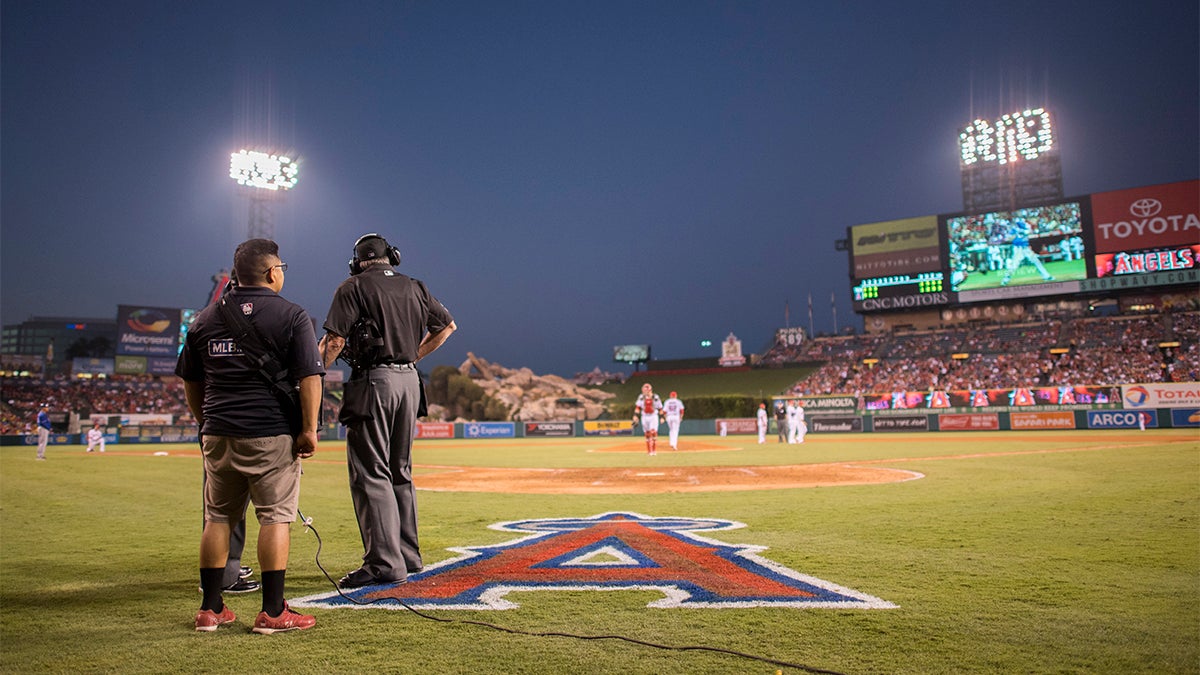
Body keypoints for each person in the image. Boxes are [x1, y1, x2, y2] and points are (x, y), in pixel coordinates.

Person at [176, 238, 323, 634]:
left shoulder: (205, 318)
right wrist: (309, 429)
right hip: (270, 432)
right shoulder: (291, 315)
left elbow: (191, 380)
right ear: (273, 272)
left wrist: (205, 419)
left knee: (218, 517)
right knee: (275, 518)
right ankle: (273, 613)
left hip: (218, 432)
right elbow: (310, 377)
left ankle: (210, 610)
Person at [320, 233, 456, 589]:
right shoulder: (416, 285)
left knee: (371, 472)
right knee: (400, 470)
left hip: (374, 382)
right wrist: (414, 356)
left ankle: (384, 563)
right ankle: (408, 556)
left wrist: (312, 377)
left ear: (357, 260)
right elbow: (448, 326)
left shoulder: (353, 287)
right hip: (410, 383)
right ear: (391, 257)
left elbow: (334, 340)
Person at [1000, 219, 1054, 286]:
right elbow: (1008, 238)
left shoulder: (1023, 229)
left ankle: (1046, 276)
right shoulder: (1015, 230)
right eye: (1022, 223)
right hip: (1018, 249)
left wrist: (1015, 234)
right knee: (1014, 265)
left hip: (1026, 248)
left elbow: (1030, 231)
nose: (1023, 224)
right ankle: (1005, 280)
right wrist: (1013, 236)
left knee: (1036, 261)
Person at [633, 382, 664, 455]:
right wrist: (635, 416)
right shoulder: (641, 397)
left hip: (653, 416)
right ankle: (649, 451)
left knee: (653, 432)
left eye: (645, 390)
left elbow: (660, 408)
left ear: (649, 390)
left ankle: (654, 451)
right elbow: (638, 407)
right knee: (647, 434)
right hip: (644, 416)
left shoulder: (655, 397)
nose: (644, 392)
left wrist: (662, 417)